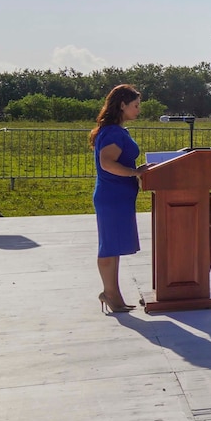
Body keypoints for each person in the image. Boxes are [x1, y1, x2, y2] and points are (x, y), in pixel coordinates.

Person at [92, 84, 145, 313]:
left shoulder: (117, 130)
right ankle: (110, 293)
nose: (138, 110)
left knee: (113, 247)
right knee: (108, 247)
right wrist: (135, 173)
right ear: (122, 105)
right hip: (112, 196)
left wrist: (138, 170)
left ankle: (114, 295)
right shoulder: (113, 131)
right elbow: (107, 163)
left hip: (119, 196)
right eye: (135, 105)